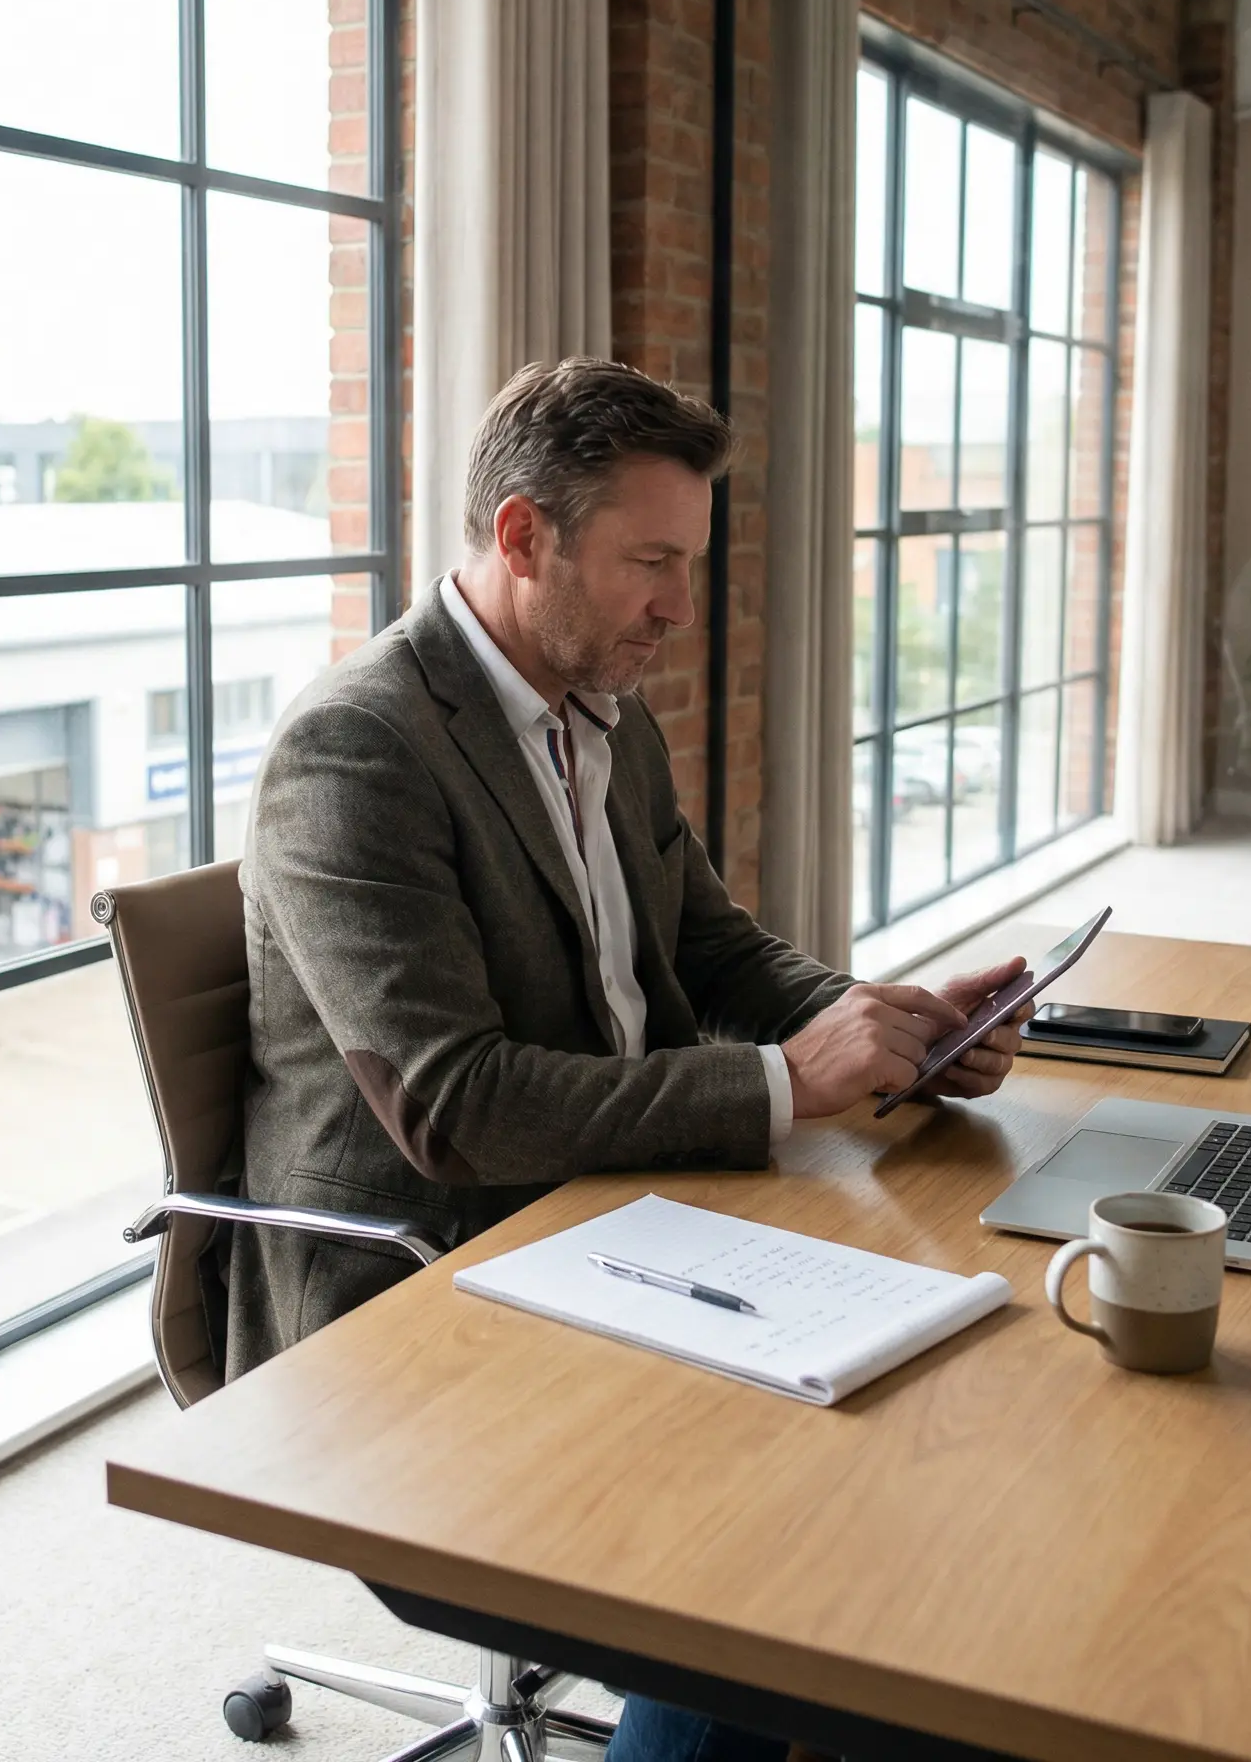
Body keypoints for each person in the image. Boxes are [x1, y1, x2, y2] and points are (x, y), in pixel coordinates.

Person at [231, 356, 1030, 1762]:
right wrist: (791, 1081)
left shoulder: (606, 708)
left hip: (611, 1218)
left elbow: (714, 949)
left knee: (936, 1417)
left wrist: (885, 1028)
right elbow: (453, 1106)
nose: (678, 605)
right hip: (425, 1290)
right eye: (649, 562)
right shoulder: (358, 748)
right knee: (775, 1533)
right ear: (523, 536)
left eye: (688, 562)